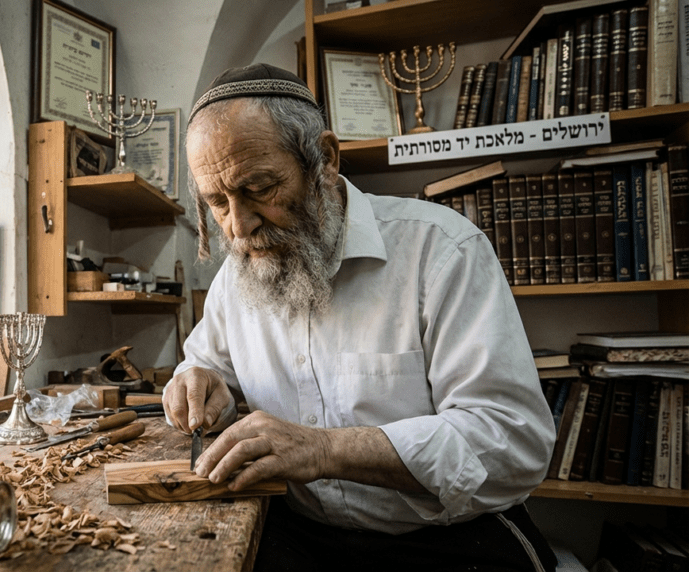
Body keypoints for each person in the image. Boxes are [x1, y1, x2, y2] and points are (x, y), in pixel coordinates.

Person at [162, 63, 558, 572]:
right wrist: (196, 382)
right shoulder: (237, 277)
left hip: (446, 538)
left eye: (260, 187)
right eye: (217, 202)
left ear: (323, 159)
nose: (239, 226)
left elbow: (513, 442)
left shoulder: (441, 250)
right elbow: (202, 364)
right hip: (299, 534)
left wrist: (327, 450)